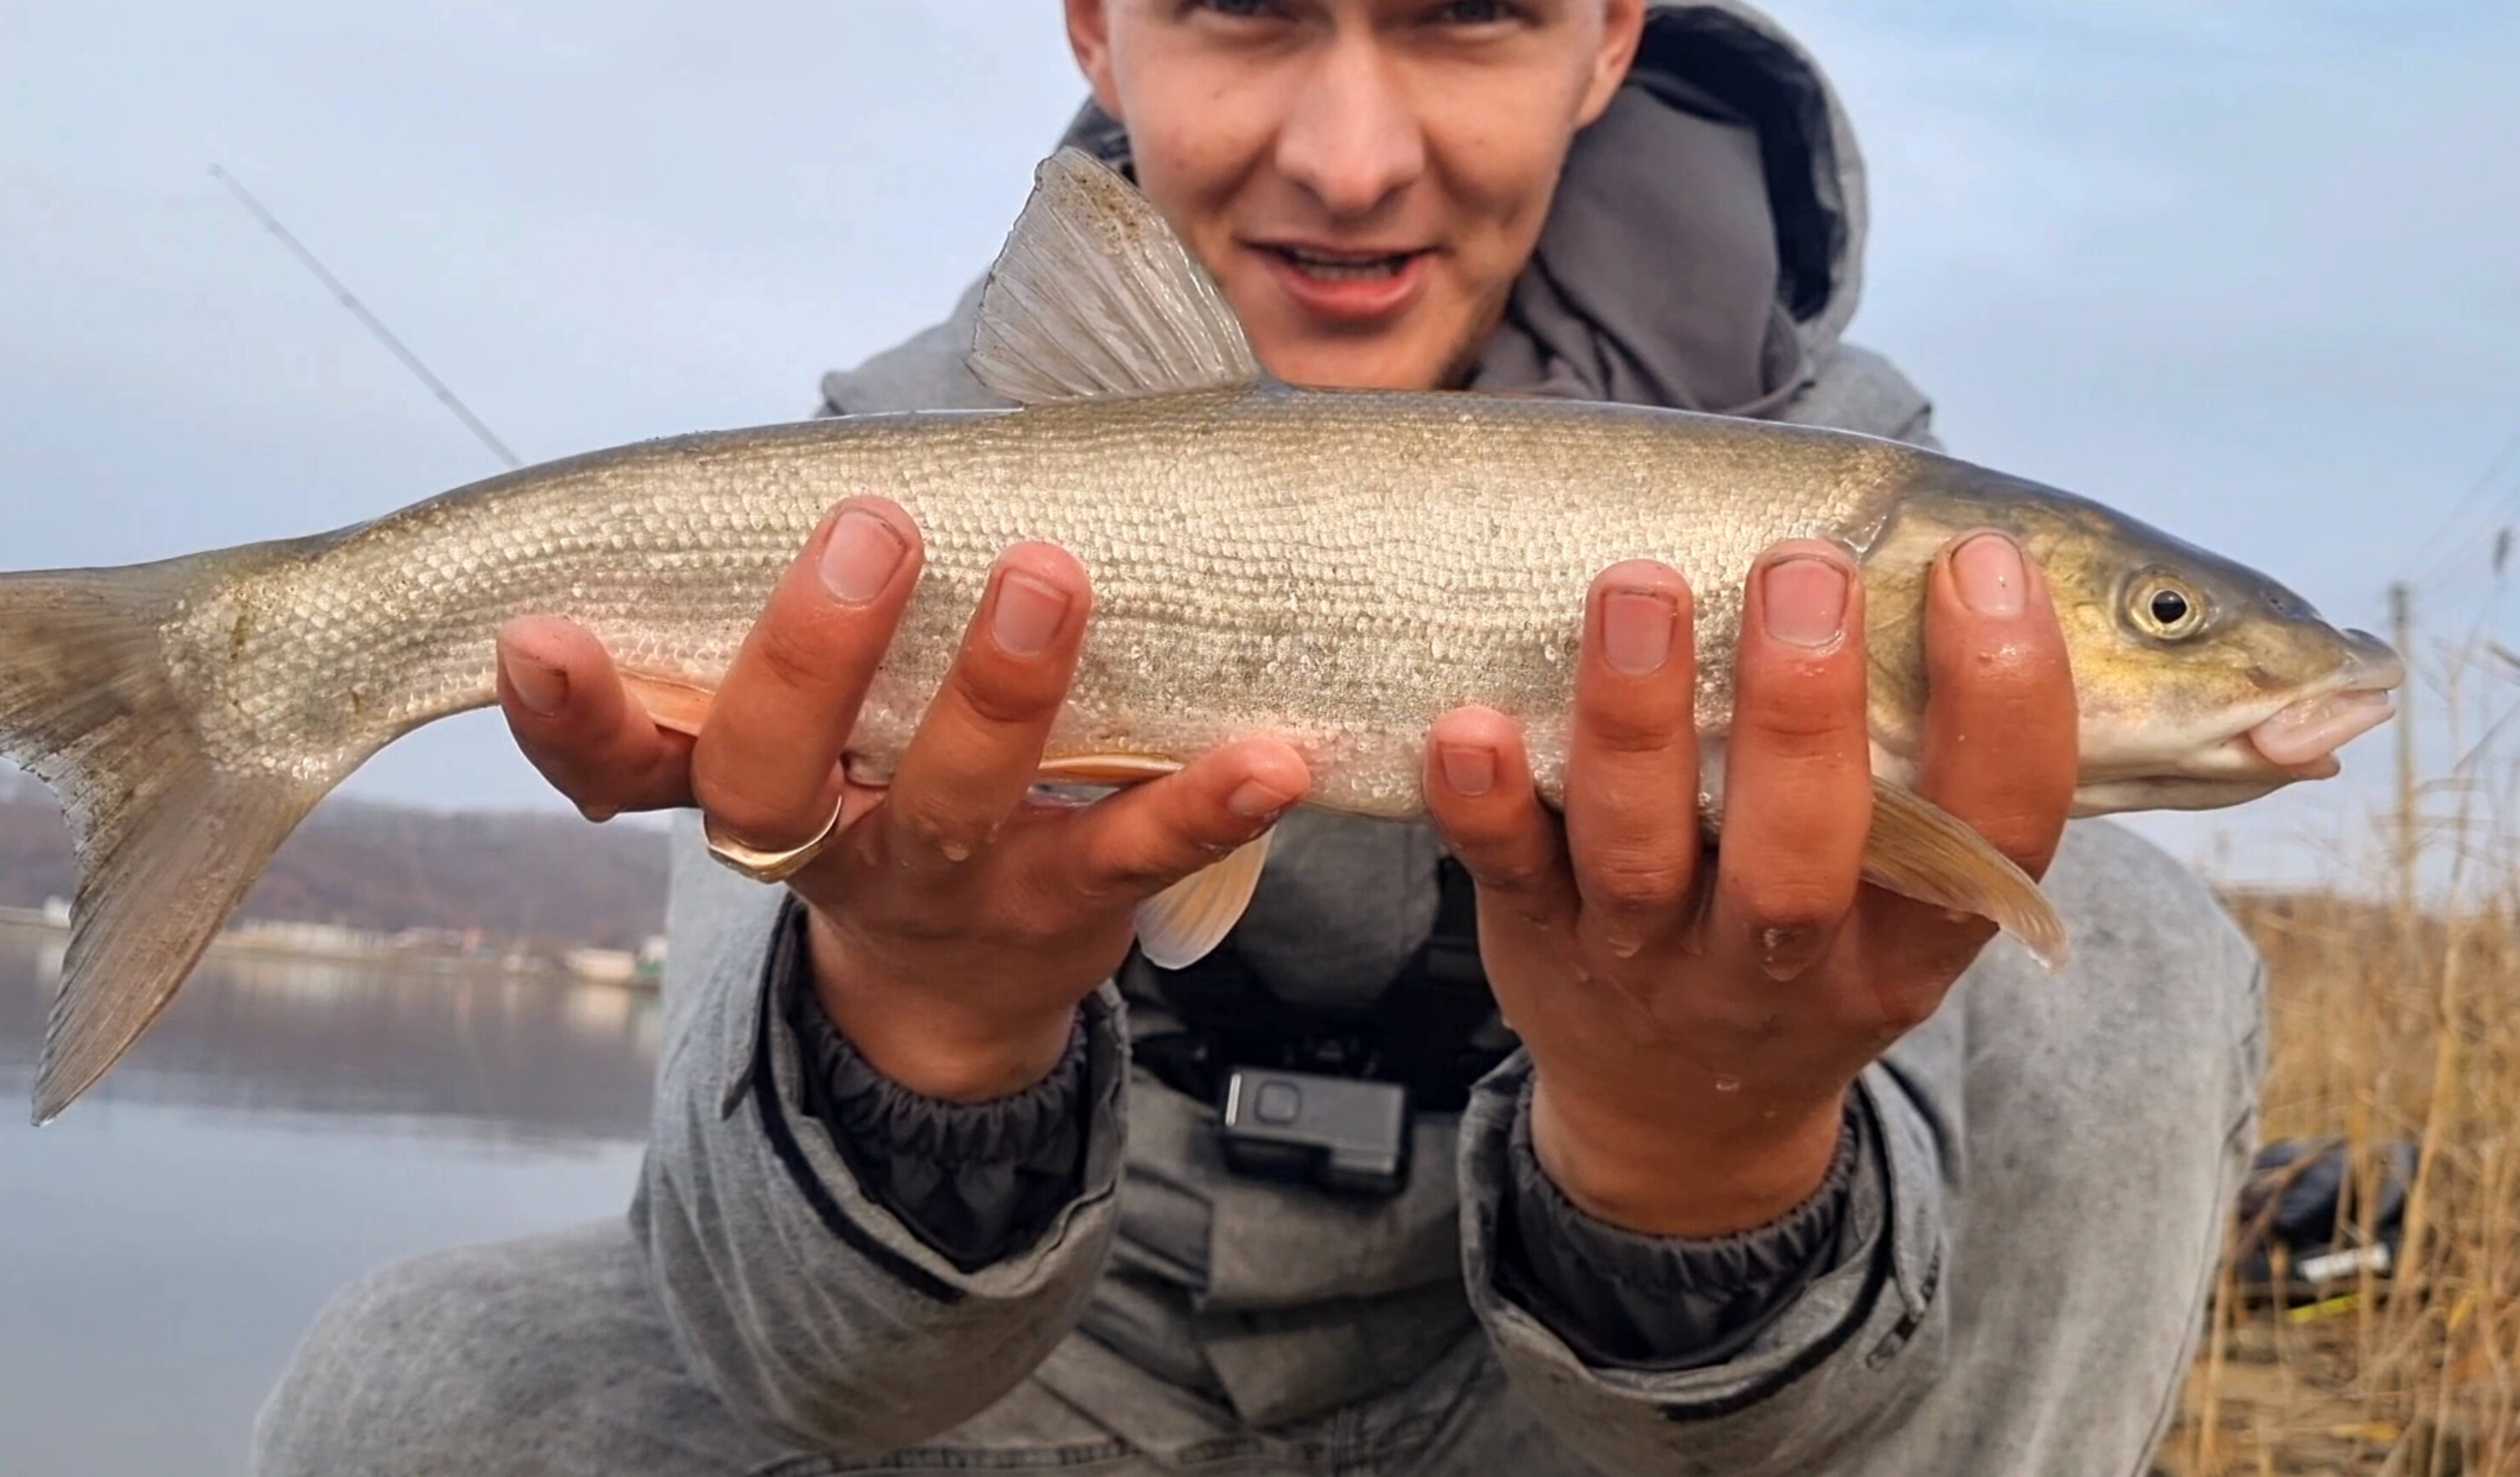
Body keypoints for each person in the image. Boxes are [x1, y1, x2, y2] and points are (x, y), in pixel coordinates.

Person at [255, 2, 2264, 1473]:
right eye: (1243, 7)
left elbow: (1791, 1442)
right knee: (435, 1380)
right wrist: (922, 1034)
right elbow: (812, 1375)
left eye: (1465, 15)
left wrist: (1698, 1146)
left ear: (1606, 38)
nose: (1351, 157)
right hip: (1030, 1363)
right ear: (1096, 29)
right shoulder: (886, 498)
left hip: (1577, 1412)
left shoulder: (1855, 501)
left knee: (2129, 946)